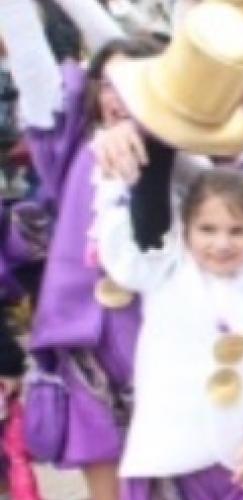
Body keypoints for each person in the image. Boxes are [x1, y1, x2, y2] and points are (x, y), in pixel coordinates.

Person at [92, 163, 243, 498]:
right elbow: (150, 200)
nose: (221, 243)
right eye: (207, 229)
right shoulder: (165, 272)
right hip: (171, 464)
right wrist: (148, 143)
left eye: (237, 231)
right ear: (185, 229)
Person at [0, 0, 145, 497]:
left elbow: (129, 55)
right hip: (86, 334)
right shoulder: (73, 149)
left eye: (129, 86)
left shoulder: (173, 150)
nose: (117, 98)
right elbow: (33, 67)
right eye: (106, 86)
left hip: (156, 327)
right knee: (104, 474)